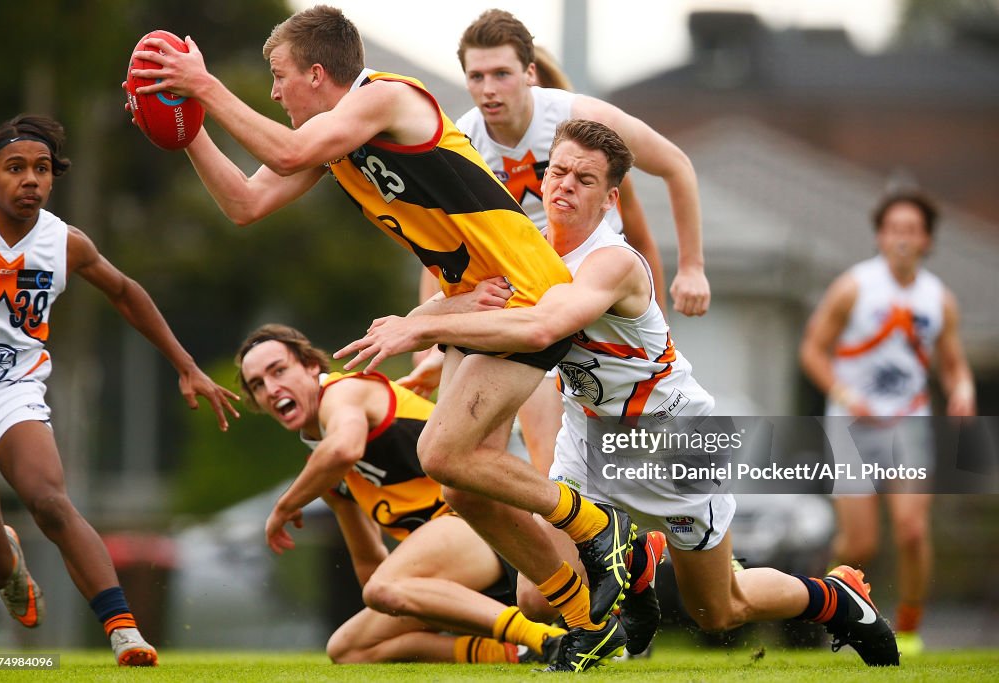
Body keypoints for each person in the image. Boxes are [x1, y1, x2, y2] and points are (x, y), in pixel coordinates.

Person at [130, 5, 638, 668]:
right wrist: (187, 128)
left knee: (441, 453)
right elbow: (245, 204)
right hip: (478, 308)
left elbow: (285, 150)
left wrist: (201, 85)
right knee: (459, 485)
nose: (276, 92)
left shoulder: (385, 98)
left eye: (280, 77)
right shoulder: (336, 142)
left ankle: (597, 530)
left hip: (529, 294)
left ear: (319, 73)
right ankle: (587, 623)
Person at [338, 119, 901, 668]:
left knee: (721, 608)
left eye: (584, 180)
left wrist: (425, 328)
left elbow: (538, 329)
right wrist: (435, 348)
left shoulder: (612, 263)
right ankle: (628, 566)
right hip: (588, 438)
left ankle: (836, 598)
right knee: (538, 597)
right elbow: (480, 306)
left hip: (670, 443)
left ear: (610, 199)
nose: (564, 185)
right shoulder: (527, 248)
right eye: (557, 171)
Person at [0, 114, 239, 666]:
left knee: (49, 501)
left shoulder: (64, 243)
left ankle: (125, 633)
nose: (31, 180)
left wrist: (185, 364)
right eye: (15, 168)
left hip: (12, 391)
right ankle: (9, 560)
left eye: (42, 170)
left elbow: (126, 293)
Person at [412, 10, 707, 473]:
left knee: (554, 458)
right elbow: (444, 253)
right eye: (477, 76)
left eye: (502, 74)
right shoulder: (460, 140)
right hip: (520, 297)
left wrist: (691, 269)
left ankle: (594, 535)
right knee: (457, 467)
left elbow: (675, 166)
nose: (489, 89)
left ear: (529, 74)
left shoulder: (583, 120)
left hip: (585, 296)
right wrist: (436, 342)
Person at [234, 323, 569, 664]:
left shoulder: (343, 393)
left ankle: (544, 637)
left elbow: (343, 449)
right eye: (258, 385)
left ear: (310, 366)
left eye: (279, 371)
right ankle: (517, 651)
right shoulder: (324, 469)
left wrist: (284, 507)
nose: (272, 388)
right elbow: (370, 567)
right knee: (348, 649)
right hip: (460, 564)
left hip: (491, 530)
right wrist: (413, 599)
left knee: (385, 588)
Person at [800, 189, 976, 656]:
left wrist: (963, 390)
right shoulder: (854, 286)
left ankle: (912, 627)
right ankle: (829, 608)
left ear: (927, 240)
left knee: (913, 530)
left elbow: (953, 363)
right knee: (859, 545)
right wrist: (844, 394)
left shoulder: (939, 298)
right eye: (894, 229)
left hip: (908, 425)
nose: (902, 239)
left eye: (911, 230)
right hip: (852, 427)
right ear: (880, 235)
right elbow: (813, 350)